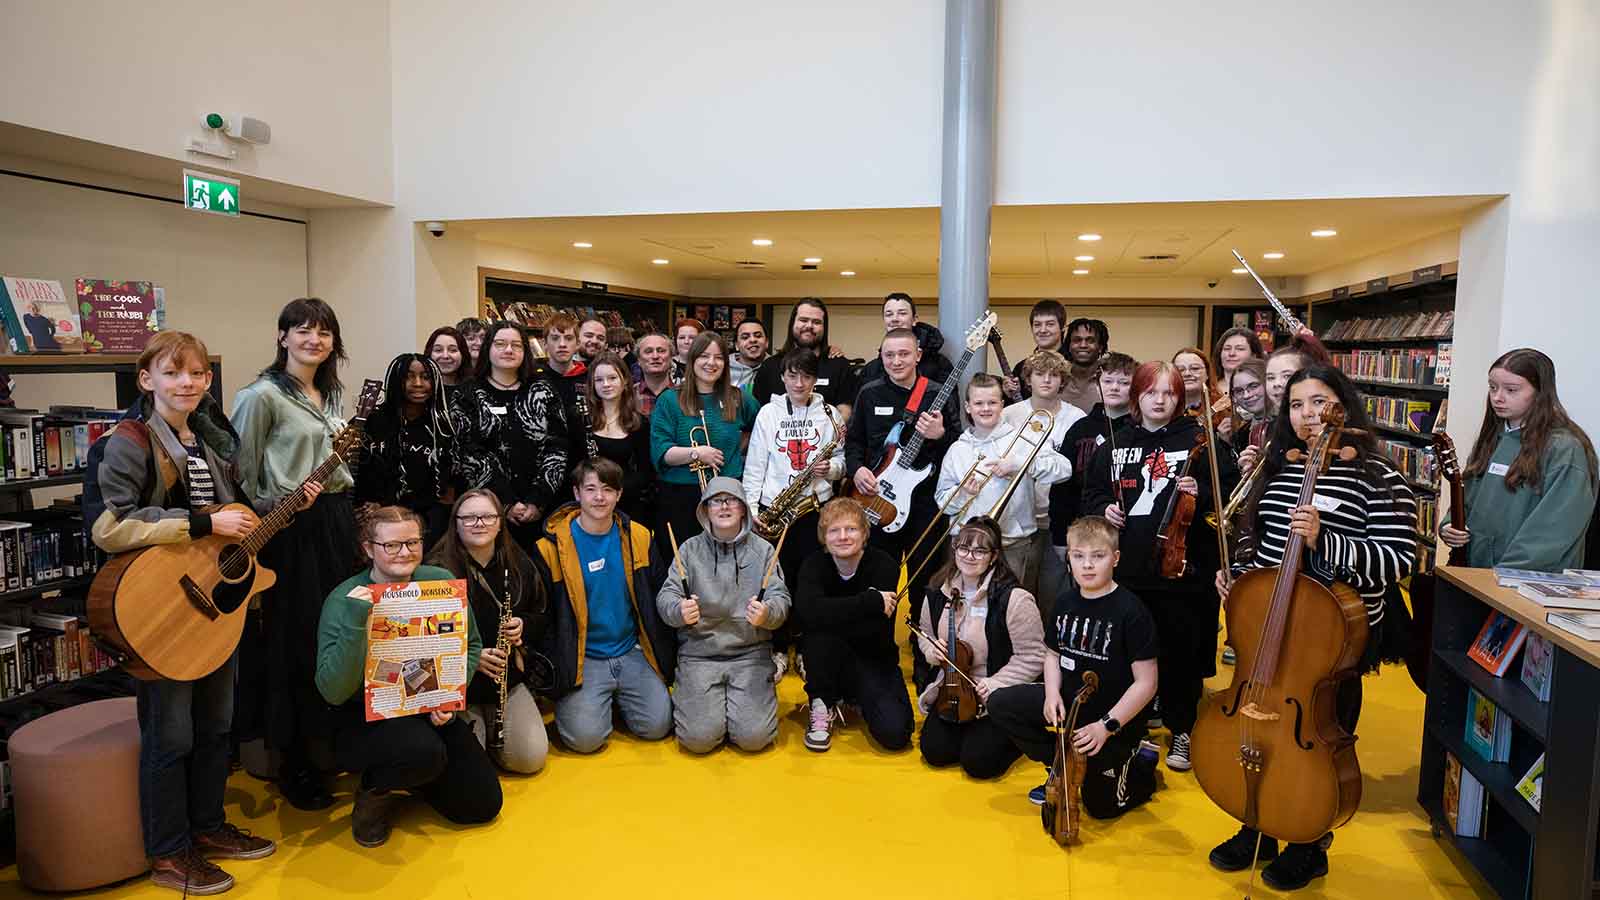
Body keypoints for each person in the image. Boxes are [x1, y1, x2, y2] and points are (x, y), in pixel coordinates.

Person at [1206, 365, 1419, 891]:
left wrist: (1327, 541)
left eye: (1319, 401)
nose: (1308, 415)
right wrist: (1239, 575)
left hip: (1333, 640)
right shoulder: (1284, 466)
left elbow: (1399, 559)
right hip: (1271, 626)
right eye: (1297, 405)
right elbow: (1263, 541)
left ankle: (1309, 839)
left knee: (1316, 740)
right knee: (1258, 732)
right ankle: (1257, 823)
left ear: (1341, 403)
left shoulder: (1377, 475)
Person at [83, 331, 275, 894]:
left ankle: (208, 828)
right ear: (147, 379)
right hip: (161, 609)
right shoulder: (126, 442)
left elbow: (228, 516)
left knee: (216, 729)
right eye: (171, 373)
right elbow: (107, 526)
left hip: (213, 605)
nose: (185, 383)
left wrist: (282, 505)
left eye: (195, 374)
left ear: (208, 380)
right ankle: (168, 854)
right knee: (170, 737)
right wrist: (200, 524)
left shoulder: (213, 443)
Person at [1081, 360, 1238, 774]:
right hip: (1128, 570)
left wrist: (1200, 491)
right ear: (1138, 396)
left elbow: (1229, 497)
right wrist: (1104, 509)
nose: (1160, 400)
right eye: (1151, 392)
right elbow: (1092, 493)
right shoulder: (1116, 442)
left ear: (1179, 398)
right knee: (1131, 651)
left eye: (1169, 393)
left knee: (1181, 650)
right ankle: (1137, 719)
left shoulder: (1200, 440)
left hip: (1182, 570)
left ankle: (1182, 727)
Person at [316, 507, 501, 848]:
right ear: (369, 548)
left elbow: (470, 645)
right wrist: (358, 621)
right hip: (364, 717)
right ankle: (375, 792)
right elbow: (333, 691)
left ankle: (418, 776)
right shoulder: (343, 600)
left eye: (412, 542)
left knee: (482, 805)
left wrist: (449, 695)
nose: (404, 552)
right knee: (422, 752)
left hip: (426, 705)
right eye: (392, 545)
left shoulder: (440, 582)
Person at [230, 297, 352, 811]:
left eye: (323, 333)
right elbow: (239, 470)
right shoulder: (260, 396)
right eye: (302, 331)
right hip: (291, 529)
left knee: (340, 630)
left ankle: (331, 746)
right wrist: (273, 504)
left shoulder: (328, 393)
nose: (314, 340)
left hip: (336, 519)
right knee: (295, 640)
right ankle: (293, 762)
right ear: (282, 336)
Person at [987, 515, 1161, 817]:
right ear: (1069, 558)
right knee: (1000, 702)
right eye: (1078, 556)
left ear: (1115, 558)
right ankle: (1061, 765)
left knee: (1100, 808)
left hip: (1111, 717)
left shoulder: (1132, 612)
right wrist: (1052, 693)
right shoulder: (1064, 602)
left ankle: (1141, 763)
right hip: (1070, 704)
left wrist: (1105, 726)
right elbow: (1052, 655)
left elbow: (1147, 683)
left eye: (1098, 556)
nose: (1088, 565)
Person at [846, 327, 962, 682]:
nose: (896, 361)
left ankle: (926, 659)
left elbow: (961, 443)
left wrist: (941, 436)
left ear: (918, 356)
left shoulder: (940, 392)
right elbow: (854, 443)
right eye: (889, 355)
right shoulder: (868, 393)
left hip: (926, 505)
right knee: (878, 579)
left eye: (903, 354)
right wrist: (857, 471)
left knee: (926, 582)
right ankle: (876, 657)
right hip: (878, 502)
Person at [537, 458, 676, 753]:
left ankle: (616, 699)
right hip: (584, 657)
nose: (599, 497)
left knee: (657, 727)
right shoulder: (549, 548)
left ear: (619, 495)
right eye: (590, 489)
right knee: (584, 740)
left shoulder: (639, 536)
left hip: (631, 651)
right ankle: (597, 702)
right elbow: (545, 620)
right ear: (576, 494)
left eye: (607, 489)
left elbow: (659, 595)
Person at [655, 476, 791, 753]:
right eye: (716, 501)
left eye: (732, 500)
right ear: (705, 510)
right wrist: (678, 610)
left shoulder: (764, 550)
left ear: (743, 509)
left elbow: (782, 601)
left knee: (754, 739)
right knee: (698, 741)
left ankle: (743, 707)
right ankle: (711, 706)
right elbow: (665, 598)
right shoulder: (688, 550)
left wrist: (767, 614)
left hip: (750, 654)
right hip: (699, 655)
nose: (724, 506)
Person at [426, 489, 552, 774]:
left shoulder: (518, 562)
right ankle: (481, 731)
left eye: (487, 516)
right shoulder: (434, 569)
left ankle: (494, 733)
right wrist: (471, 657)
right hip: (460, 684)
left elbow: (542, 615)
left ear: (499, 523)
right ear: (455, 523)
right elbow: (422, 639)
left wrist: (523, 627)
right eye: (468, 517)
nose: (478, 523)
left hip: (506, 681)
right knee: (468, 768)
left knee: (530, 758)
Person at [1441, 348, 1597, 570]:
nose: (1498, 397)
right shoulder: (1491, 438)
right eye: (1492, 387)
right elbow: (1468, 500)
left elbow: (1553, 531)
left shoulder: (1565, 449)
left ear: (1540, 392)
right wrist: (1450, 526)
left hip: (1522, 584)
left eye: (1511, 390)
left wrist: (1502, 575)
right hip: (1476, 575)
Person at [915, 517, 1045, 778]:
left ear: (994, 556)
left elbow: (1033, 656)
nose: (969, 556)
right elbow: (925, 633)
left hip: (995, 694)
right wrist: (932, 651)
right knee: (935, 752)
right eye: (963, 548)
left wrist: (996, 683)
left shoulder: (1015, 599)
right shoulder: (938, 591)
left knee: (979, 763)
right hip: (951, 689)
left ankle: (1018, 731)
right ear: (955, 550)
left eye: (980, 550)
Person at [742, 347, 844, 678]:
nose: (799, 383)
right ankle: (776, 645)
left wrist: (831, 469)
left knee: (811, 582)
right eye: (792, 375)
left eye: (807, 376)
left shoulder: (830, 414)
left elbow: (843, 464)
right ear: (782, 376)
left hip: (815, 510)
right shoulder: (769, 414)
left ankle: (805, 646)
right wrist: (750, 506)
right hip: (776, 510)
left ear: (816, 379)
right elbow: (755, 464)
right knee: (775, 580)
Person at [936, 373, 1072, 606]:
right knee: (968, 607)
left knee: (1011, 607)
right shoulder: (957, 450)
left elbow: (1064, 469)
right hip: (968, 545)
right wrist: (963, 493)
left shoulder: (1024, 437)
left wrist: (1020, 465)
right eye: (979, 403)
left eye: (992, 402)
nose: (986, 408)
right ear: (968, 407)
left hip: (1013, 544)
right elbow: (942, 501)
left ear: (1002, 404)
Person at [792, 498, 913, 752]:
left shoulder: (885, 566)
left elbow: (875, 629)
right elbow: (806, 614)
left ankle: (856, 696)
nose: (843, 536)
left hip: (873, 658)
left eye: (851, 529)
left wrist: (827, 613)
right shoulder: (812, 565)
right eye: (834, 530)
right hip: (826, 658)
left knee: (896, 735)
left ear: (864, 533)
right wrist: (869, 601)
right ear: (824, 537)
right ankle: (822, 701)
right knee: (818, 638)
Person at [452, 320, 570, 548]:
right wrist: (505, 502)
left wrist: (537, 500)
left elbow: (558, 447)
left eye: (516, 345)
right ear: (488, 348)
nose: (508, 350)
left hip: (540, 508)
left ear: (525, 351)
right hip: (485, 511)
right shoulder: (468, 392)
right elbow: (469, 450)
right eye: (500, 344)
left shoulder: (543, 389)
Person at [649, 331, 759, 553]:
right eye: (704, 356)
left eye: (719, 357)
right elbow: (661, 452)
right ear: (692, 360)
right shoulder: (669, 400)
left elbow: (760, 428)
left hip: (727, 494)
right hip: (680, 496)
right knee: (682, 560)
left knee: (726, 558)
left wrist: (736, 449)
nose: (712, 363)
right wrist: (697, 453)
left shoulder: (738, 398)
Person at [1002, 349, 1088, 606]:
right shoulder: (1009, 415)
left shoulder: (1076, 418)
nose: (1047, 380)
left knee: (1055, 594)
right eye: (1040, 374)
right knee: (1019, 591)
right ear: (1028, 379)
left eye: (1054, 375)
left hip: (1059, 521)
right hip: (1019, 519)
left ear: (1063, 380)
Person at [355, 352, 455, 546]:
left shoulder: (444, 428)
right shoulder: (371, 422)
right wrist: (362, 509)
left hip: (425, 527)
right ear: (394, 381)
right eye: (408, 377)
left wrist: (394, 509)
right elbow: (354, 473)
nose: (418, 383)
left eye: (425, 377)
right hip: (373, 526)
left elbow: (446, 491)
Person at [1053, 351, 1136, 560]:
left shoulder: (1140, 430)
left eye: (1124, 382)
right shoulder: (1079, 429)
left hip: (1131, 534)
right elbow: (1062, 488)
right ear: (1097, 384)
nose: (1115, 387)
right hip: (1084, 530)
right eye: (1107, 381)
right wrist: (1060, 537)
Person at [751, 298, 858, 419]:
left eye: (816, 322)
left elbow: (845, 413)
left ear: (824, 327)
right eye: (803, 320)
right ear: (793, 323)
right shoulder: (769, 366)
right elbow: (759, 415)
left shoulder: (839, 366)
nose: (809, 326)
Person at [584, 351, 657, 527]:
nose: (606, 384)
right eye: (599, 380)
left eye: (612, 378)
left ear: (624, 381)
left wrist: (615, 489)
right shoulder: (581, 419)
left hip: (626, 501)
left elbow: (646, 471)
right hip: (588, 503)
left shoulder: (638, 423)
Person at [857, 292, 954, 385]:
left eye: (902, 313)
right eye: (889, 314)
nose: (895, 319)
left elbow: (950, 401)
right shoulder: (871, 370)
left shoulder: (940, 365)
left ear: (914, 319)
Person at [533, 312, 589, 428]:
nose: (562, 344)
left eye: (568, 338)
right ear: (545, 344)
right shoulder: (534, 378)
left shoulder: (589, 378)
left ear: (578, 344)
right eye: (555, 338)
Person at [1003, 300, 1065, 402]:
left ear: (1062, 327)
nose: (1043, 330)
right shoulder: (1021, 367)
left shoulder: (1073, 364)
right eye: (1037, 325)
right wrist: (1008, 396)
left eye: (1050, 324)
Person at [1211, 326, 1265, 402]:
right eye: (1227, 349)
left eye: (1240, 349)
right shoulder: (1208, 388)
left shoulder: (1265, 388)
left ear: (1254, 355)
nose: (1231, 353)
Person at [1225, 358, 1269, 451]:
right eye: (1239, 391)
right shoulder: (1241, 435)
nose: (1246, 395)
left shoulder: (1289, 423)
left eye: (1253, 386)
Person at [634, 332, 676, 417]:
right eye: (648, 351)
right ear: (638, 360)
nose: (655, 356)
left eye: (661, 351)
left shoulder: (684, 396)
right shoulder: (628, 396)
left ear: (671, 357)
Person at [425, 325, 472, 396]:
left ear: (463, 354)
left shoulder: (475, 390)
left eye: (453, 350)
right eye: (438, 350)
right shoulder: (421, 390)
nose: (445, 356)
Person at [729, 319, 769, 390]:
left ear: (766, 342)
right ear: (736, 345)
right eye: (745, 337)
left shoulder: (777, 367)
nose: (752, 340)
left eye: (758, 336)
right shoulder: (723, 368)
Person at [1172, 346, 1215, 412]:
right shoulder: (1163, 407)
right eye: (1180, 370)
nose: (1187, 374)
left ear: (1207, 374)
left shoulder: (1223, 409)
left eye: (1195, 368)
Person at [671, 317, 703, 384]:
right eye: (682, 337)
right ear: (675, 340)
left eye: (692, 338)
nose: (686, 341)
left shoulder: (707, 365)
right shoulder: (667, 365)